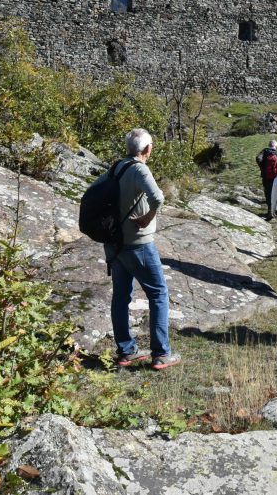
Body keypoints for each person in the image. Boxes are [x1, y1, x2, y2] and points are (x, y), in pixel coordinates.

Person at [107, 128, 180, 370]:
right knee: (158, 294)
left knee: (120, 297)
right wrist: (148, 217)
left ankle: (126, 351)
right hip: (139, 244)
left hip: (116, 245)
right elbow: (158, 197)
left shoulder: (117, 167)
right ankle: (161, 354)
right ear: (147, 150)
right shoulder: (139, 169)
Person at [255, 140, 277, 220]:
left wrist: (262, 167)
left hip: (266, 177)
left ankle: (269, 212)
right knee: (276, 194)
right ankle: (276, 212)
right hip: (276, 177)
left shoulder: (264, 151)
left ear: (269, 145)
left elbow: (258, 158)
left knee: (268, 194)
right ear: (275, 146)